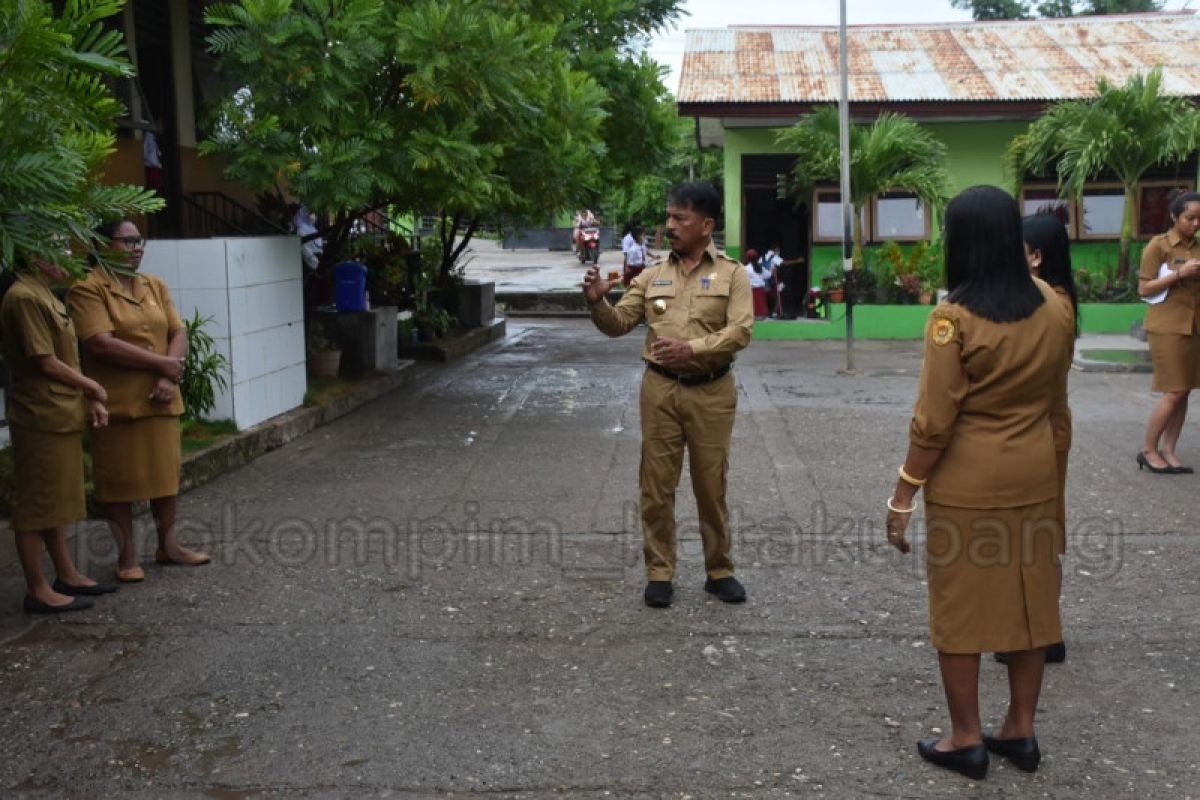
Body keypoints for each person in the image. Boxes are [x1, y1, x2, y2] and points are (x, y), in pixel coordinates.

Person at [885, 186, 1073, 781]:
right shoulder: (1053, 304)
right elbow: (1057, 405)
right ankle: (1020, 730)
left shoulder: (953, 319)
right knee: (1031, 605)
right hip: (1036, 473)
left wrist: (904, 492)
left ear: (961, 241)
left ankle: (965, 739)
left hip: (970, 483)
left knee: (961, 610)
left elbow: (935, 422)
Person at [583, 182, 753, 609]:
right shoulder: (652, 275)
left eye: (680, 218)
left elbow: (740, 331)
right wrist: (597, 305)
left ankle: (719, 570)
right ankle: (660, 572)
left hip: (712, 391)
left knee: (710, 486)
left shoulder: (733, 274)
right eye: (669, 216)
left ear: (706, 225)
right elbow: (620, 323)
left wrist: (691, 349)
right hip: (659, 390)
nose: (670, 225)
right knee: (656, 485)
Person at [68, 219, 210, 583]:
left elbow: (177, 331)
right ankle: (127, 556)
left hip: (161, 398)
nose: (136, 248)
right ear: (101, 246)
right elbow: (100, 341)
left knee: (165, 476)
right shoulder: (88, 289)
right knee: (119, 482)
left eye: (139, 241)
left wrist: (167, 374)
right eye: (126, 241)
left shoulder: (154, 284)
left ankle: (169, 545)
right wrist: (160, 363)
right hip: (118, 403)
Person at [1, 250, 116, 613]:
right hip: (39, 414)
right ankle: (37, 589)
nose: (64, 258)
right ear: (31, 255)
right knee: (37, 504)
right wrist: (92, 387)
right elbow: (44, 360)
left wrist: (85, 395)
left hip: (59, 411)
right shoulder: (23, 297)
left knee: (56, 501)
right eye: (54, 251)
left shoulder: (44, 291)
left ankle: (66, 573)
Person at [1004, 212, 1079, 665]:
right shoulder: (1048, 299)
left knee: (1040, 533)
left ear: (1035, 256)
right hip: (1041, 424)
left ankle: (1044, 632)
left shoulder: (1053, 304)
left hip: (1042, 427)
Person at [1136, 190, 1200, 474]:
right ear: (1174, 216)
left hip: (1194, 326)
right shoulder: (1157, 247)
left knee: (1184, 391)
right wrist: (1179, 274)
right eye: (1190, 218)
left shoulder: (1198, 247)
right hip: (1166, 327)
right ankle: (1148, 449)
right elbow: (1144, 288)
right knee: (1174, 391)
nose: (1195, 223)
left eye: (1199, 219)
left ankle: (1169, 449)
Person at [742, 248, 768, 320]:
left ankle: (754, 316)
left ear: (748, 258)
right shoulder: (760, 267)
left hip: (751, 289)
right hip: (760, 289)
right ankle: (760, 316)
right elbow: (767, 275)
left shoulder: (746, 268)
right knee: (760, 303)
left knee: (753, 303)